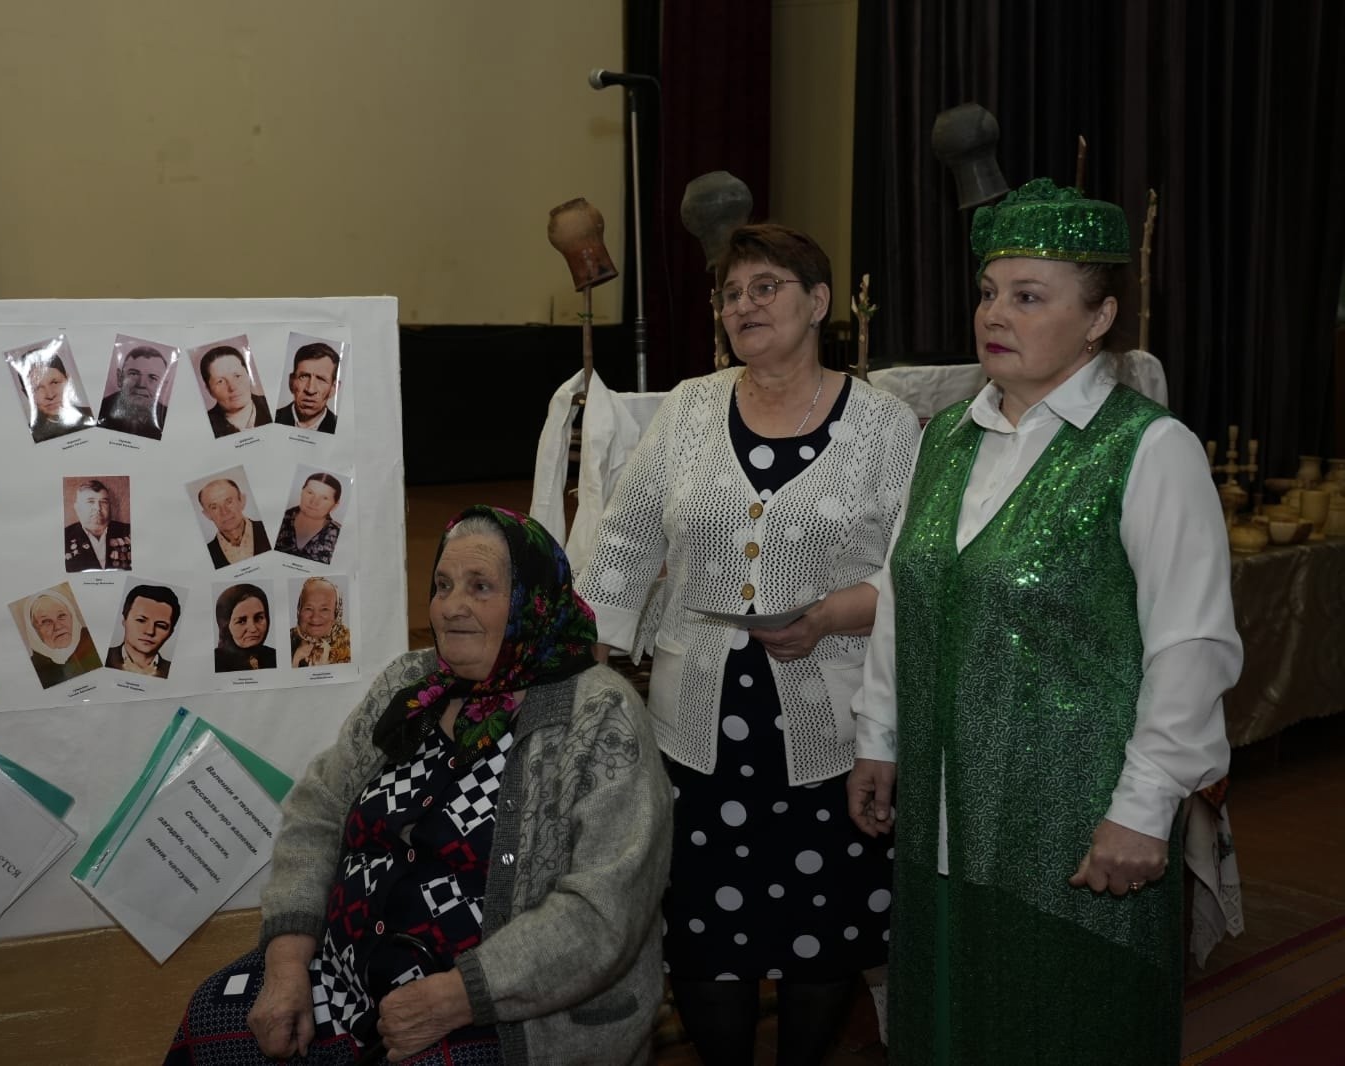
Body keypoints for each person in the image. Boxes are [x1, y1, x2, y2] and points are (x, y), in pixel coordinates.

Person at [845, 179, 1243, 1064]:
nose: (995, 313)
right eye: (989, 292)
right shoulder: (944, 438)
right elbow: (905, 593)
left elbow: (1191, 646)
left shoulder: (1147, 447)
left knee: (1062, 1026)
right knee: (951, 1018)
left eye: (1028, 296)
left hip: (1074, 823)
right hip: (943, 813)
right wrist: (878, 735)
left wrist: (1142, 808)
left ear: (1099, 317)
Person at [577, 223, 920, 1063]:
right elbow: (623, 542)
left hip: (829, 729)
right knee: (702, 927)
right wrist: (586, 670)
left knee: (822, 926)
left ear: (818, 302)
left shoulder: (883, 424)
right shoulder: (689, 408)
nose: (742, 305)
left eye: (765, 287)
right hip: (694, 728)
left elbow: (915, 577)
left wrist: (825, 618)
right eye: (730, 293)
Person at [167, 506, 672, 1066]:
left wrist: (459, 995)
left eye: (480, 586)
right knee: (213, 1014)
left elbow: (605, 911)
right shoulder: (411, 683)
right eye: (443, 585)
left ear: (533, 600)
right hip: (339, 980)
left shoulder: (600, 715)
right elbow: (319, 810)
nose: (452, 606)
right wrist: (287, 962)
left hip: (496, 1016)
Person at [23, 587, 102, 688]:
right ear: (34, 630)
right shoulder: (33, 667)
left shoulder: (92, 640)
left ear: (71, 616)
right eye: (46, 621)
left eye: (61, 616)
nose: (58, 627)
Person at [98, 345, 173, 439]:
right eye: (133, 374)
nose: (141, 384)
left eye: (153, 378)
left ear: (163, 386)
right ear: (120, 378)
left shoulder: (168, 419)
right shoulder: (100, 410)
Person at [105, 584, 180, 678]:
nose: (150, 631)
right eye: (141, 620)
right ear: (124, 620)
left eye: (161, 626)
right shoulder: (102, 657)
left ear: (170, 632)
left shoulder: (175, 673)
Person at [201, 344, 271, 438]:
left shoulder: (271, 406)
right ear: (209, 390)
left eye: (237, 376)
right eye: (220, 381)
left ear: (248, 375)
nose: (232, 387)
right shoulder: (205, 426)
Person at [21, 353, 94, 443]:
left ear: (67, 380)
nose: (50, 395)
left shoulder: (92, 415)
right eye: (37, 388)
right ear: (26, 393)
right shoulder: (28, 437)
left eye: (55, 382)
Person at [199, 477, 271, 568]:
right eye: (214, 507)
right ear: (207, 514)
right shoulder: (206, 556)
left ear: (242, 501)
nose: (224, 512)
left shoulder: (270, 528)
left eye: (229, 502)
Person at [64, 479, 132, 571]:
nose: (97, 508)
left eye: (103, 502)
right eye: (90, 502)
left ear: (109, 506)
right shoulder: (64, 537)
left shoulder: (128, 531)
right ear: (77, 507)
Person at [274, 472, 342, 564]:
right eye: (310, 493)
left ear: (335, 505)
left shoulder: (340, 535)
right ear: (302, 492)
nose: (314, 502)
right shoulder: (278, 518)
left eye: (324, 498)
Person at [273, 342, 339, 432]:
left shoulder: (340, 428)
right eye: (303, 377)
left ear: (333, 388)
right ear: (291, 382)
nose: (310, 390)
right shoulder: (272, 419)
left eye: (321, 379)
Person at [212, 583, 277, 672]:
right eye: (241, 621)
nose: (253, 629)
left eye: (259, 618)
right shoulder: (215, 663)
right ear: (225, 625)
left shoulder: (275, 656)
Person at [289, 576, 351, 667]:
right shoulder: (287, 640)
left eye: (324, 609)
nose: (315, 618)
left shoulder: (350, 645)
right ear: (299, 610)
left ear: (336, 613)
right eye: (308, 608)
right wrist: (296, 659)